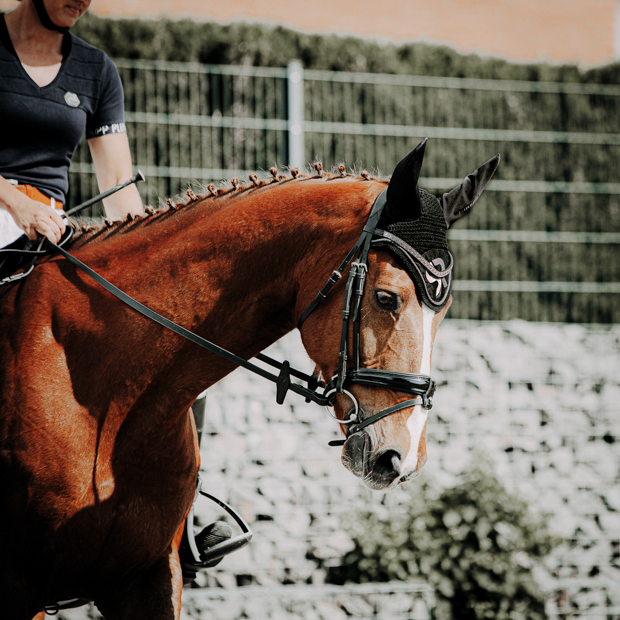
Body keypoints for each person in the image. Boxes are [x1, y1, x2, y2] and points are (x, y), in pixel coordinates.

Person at [0, 0, 226, 582]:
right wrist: (14, 201)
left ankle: (177, 519)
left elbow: (119, 191)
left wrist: (152, 266)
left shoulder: (96, 70)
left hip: (56, 223)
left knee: (164, 335)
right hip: (7, 211)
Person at [0, 0, 143, 248]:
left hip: (45, 233)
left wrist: (143, 249)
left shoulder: (98, 70)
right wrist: (19, 204)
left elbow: (118, 184)